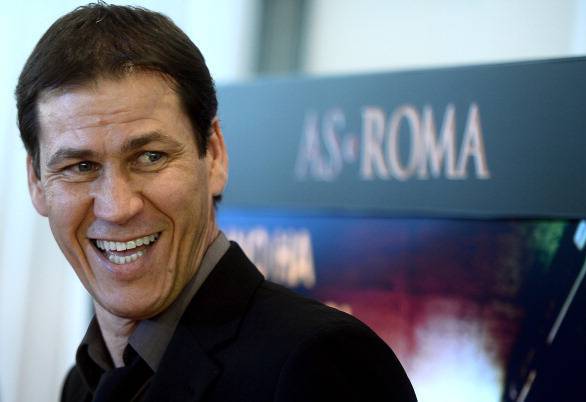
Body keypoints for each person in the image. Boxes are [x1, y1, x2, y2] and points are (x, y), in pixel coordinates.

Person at [16, 3, 417, 402]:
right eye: (81, 166)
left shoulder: (320, 364)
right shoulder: (82, 383)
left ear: (214, 155)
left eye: (150, 157)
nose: (117, 207)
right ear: (36, 181)